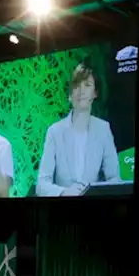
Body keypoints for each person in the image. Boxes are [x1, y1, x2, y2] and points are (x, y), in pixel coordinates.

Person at [36, 63, 119, 197]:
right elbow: (41, 185)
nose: (81, 91)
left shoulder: (103, 129)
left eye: (87, 85)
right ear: (70, 95)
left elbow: (114, 179)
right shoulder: (54, 131)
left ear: (95, 93)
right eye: (77, 86)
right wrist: (64, 192)